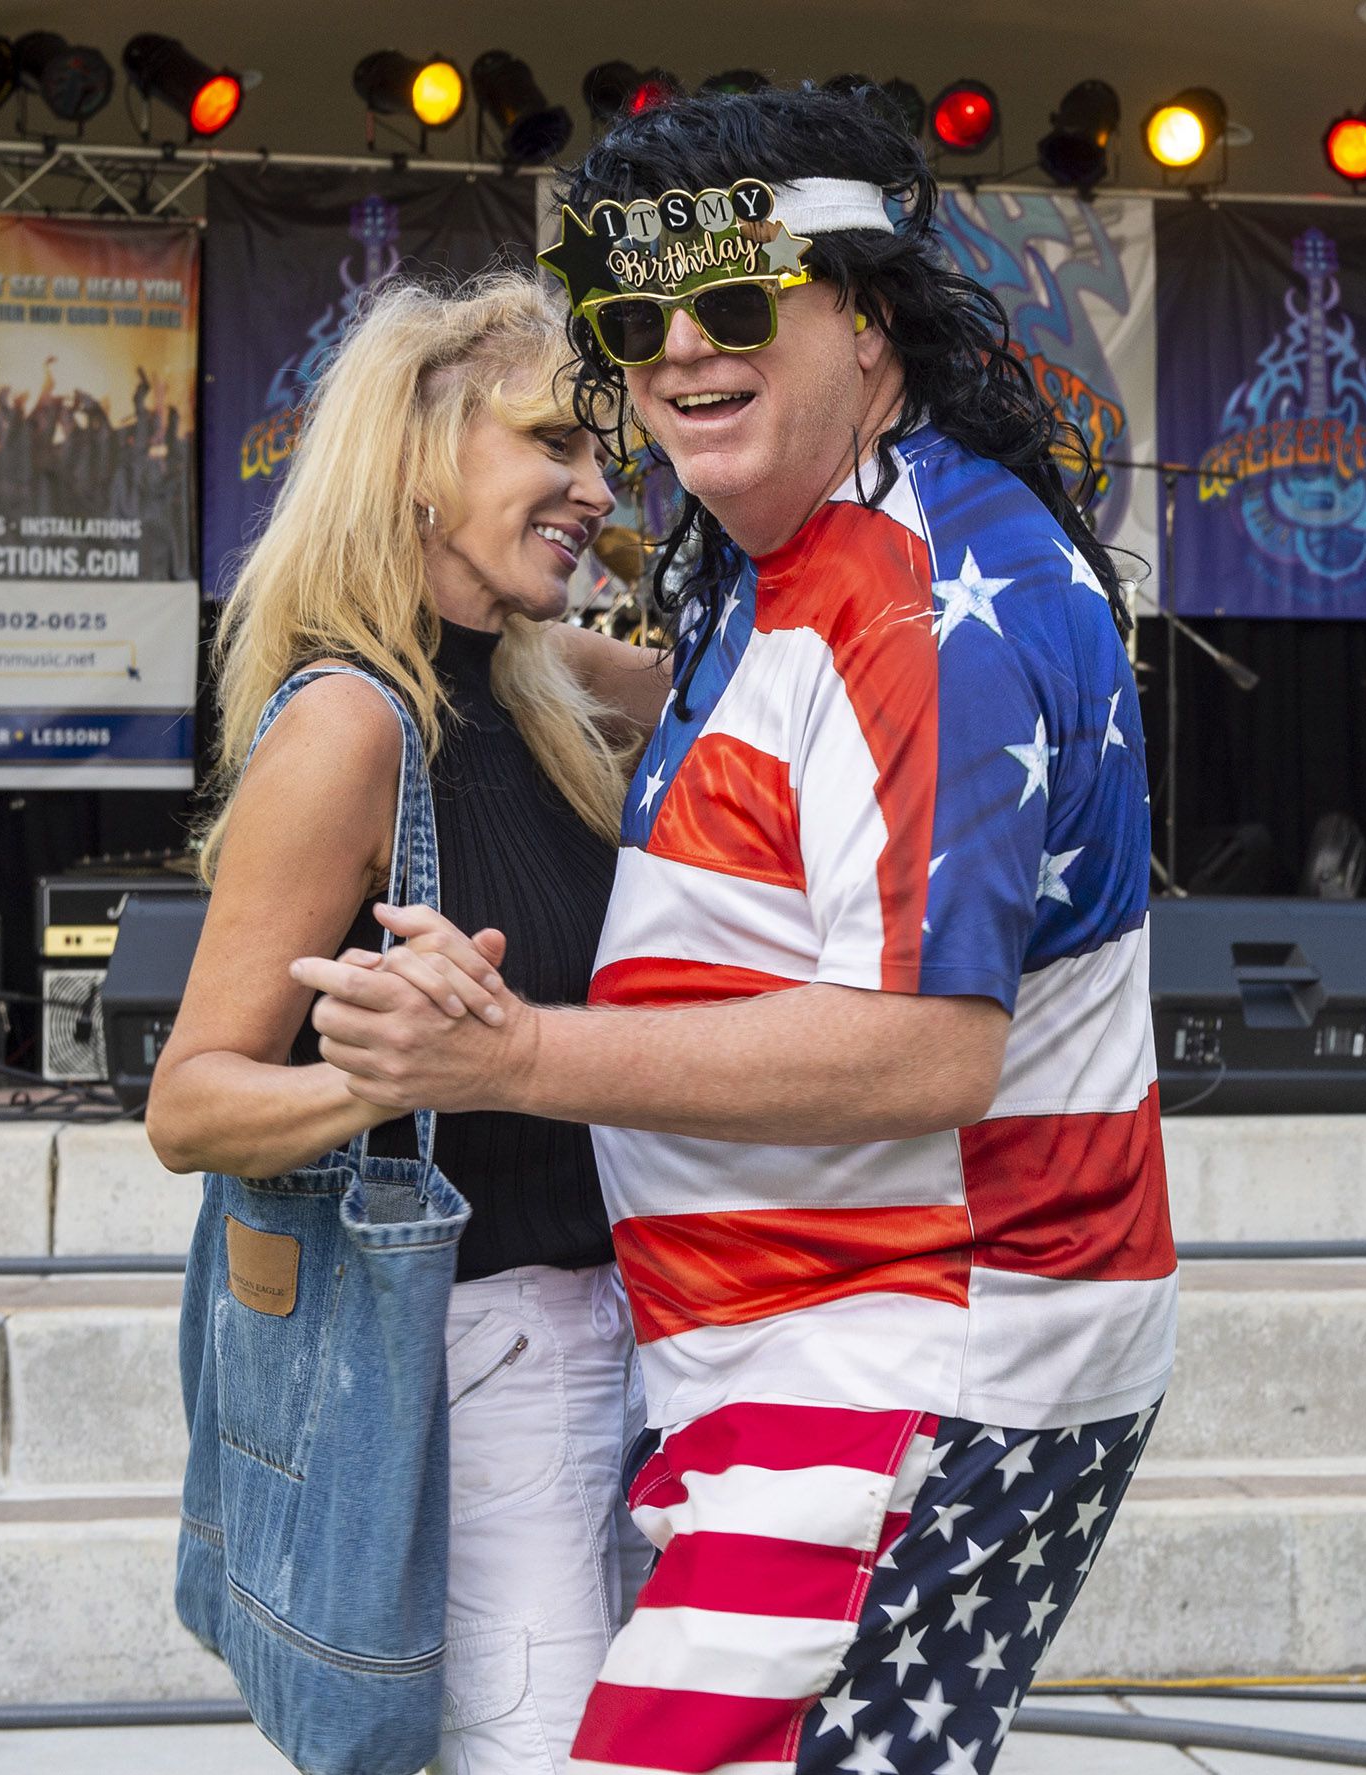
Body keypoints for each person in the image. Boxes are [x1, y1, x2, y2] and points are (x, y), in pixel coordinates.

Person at [291, 86, 1173, 1775]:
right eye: (639, 318)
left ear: (870, 304)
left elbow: (925, 1045)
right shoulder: (788, 559)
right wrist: (471, 628)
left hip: (912, 1354)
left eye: (739, 301)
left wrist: (518, 1053)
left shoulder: (919, 609)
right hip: (829, 1342)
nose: (683, 348)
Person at [144, 272, 669, 1773]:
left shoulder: (543, 681)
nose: (592, 482)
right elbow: (190, 1103)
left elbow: (762, 669)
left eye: (601, 451)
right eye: (551, 444)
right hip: (486, 1362)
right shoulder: (352, 727)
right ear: (419, 452)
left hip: (617, 1340)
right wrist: (375, 1079)